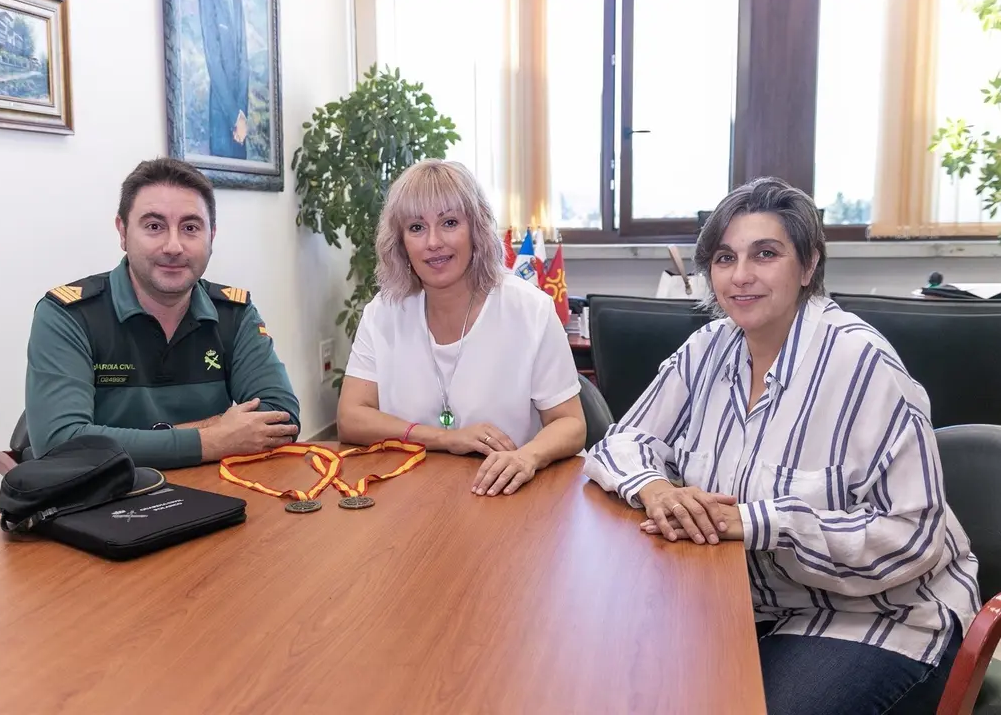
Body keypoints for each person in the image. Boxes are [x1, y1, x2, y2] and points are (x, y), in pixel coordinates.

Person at [584, 177, 980, 714]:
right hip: (746, 605)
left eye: (765, 254)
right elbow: (618, 443)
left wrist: (759, 522)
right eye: (725, 258)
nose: (741, 276)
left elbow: (912, 537)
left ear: (808, 265)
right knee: (621, 683)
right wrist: (657, 489)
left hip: (880, 617)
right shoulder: (709, 348)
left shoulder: (862, 367)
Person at [24, 157, 300, 469]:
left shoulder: (233, 313)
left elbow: (281, 417)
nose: (173, 246)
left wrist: (156, 440)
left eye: (190, 228)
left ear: (212, 236)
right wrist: (214, 438)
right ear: (122, 232)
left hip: (214, 493)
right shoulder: (68, 316)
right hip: (106, 502)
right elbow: (60, 443)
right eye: (154, 226)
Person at [337, 159, 586, 497]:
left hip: (511, 497)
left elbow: (571, 424)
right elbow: (351, 419)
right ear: (400, 242)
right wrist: (445, 438)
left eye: (449, 222)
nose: (433, 242)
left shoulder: (530, 310)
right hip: (413, 497)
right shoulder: (383, 312)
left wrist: (527, 457)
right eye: (416, 227)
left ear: (476, 229)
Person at [199, 0, 249, 159]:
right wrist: (235, 116)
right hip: (222, 114)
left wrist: (241, 115)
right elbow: (214, 63)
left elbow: (244, 60)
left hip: (240, 121)